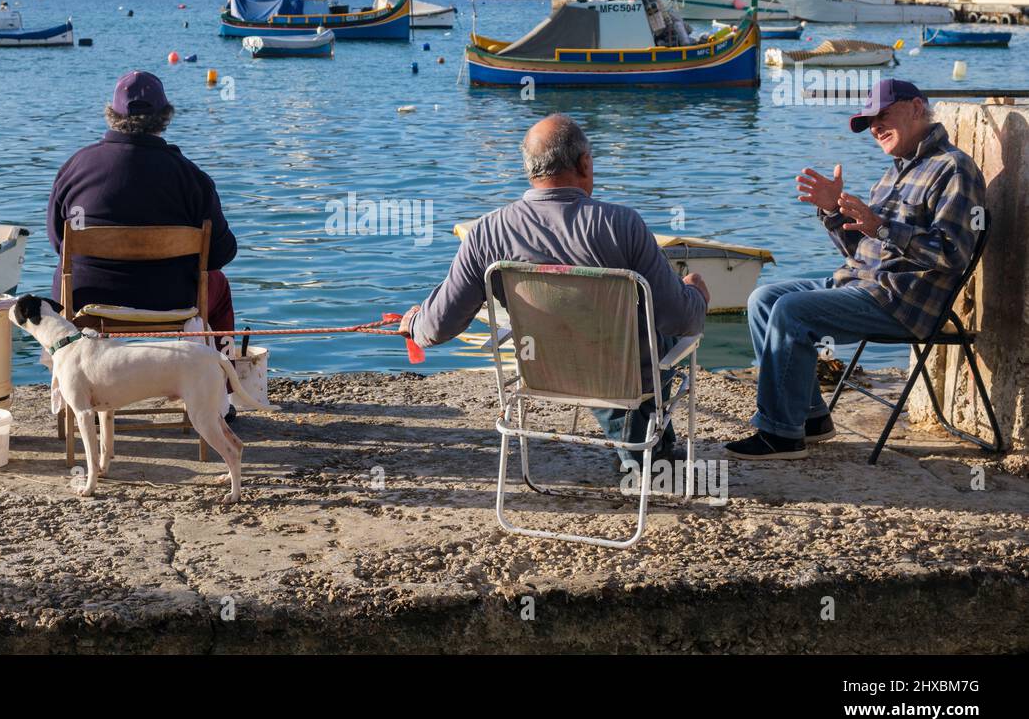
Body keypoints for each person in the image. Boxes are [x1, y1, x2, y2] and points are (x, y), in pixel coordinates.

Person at [399, 114, 709, 463]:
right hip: (623, 377)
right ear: (584, 163)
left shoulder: (487, 233)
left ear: (530, 169)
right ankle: (647, 451)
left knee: (614, 339)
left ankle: (647, 451)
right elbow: (681, 320)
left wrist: (413, 323)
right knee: (652, 332)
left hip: (541, 373)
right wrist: (696, 293)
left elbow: (438, 326)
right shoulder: (623, 225)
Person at [726, 78, 986, 461]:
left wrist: (879, 226)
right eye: (869, 123)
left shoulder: (953, 169)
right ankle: (812, 418)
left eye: (883, 115)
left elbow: (951, 255)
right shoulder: (895, 171)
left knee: (791, 311)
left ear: (917, 108)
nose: (876, 128)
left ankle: (780, 435)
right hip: (864, 283)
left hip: (902, 300)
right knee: (764, 298)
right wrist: (834, 213)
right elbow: (865, 250)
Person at [46, 69, 238, 336]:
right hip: (173, 304)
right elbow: (221, 253)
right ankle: (220, 375)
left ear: (112, 115)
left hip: (84, 303)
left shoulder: (74, 168)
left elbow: (58, 242)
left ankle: (68, 373)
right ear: (165, 117)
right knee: (219, 284)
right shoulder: (190, 177)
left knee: (63, 270)